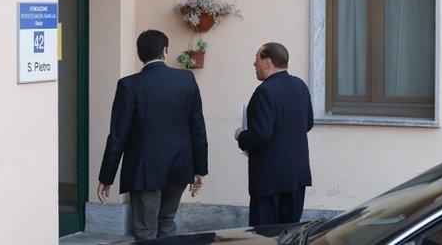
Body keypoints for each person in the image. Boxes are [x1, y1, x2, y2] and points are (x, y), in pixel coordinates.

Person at [97, 30, 208, 240]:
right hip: (179, 164)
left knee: (146, 230)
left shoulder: (129, 85)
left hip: (143, 168)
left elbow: (118, 135)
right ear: (165, 51)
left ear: (139, 54)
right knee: (166, 221)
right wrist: (199, 169)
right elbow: (198, 128)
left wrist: (106, 176)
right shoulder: (186, 80)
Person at [234, 42, 313, 226]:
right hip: (296, 175)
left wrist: (241, 135)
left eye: (257, 59)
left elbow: (260, 135)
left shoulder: (264, 91)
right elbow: (308, 123)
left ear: (267, 62)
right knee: (289, 232)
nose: (254, 64)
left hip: (269, 179)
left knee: (265, 235)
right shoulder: (300, 85)